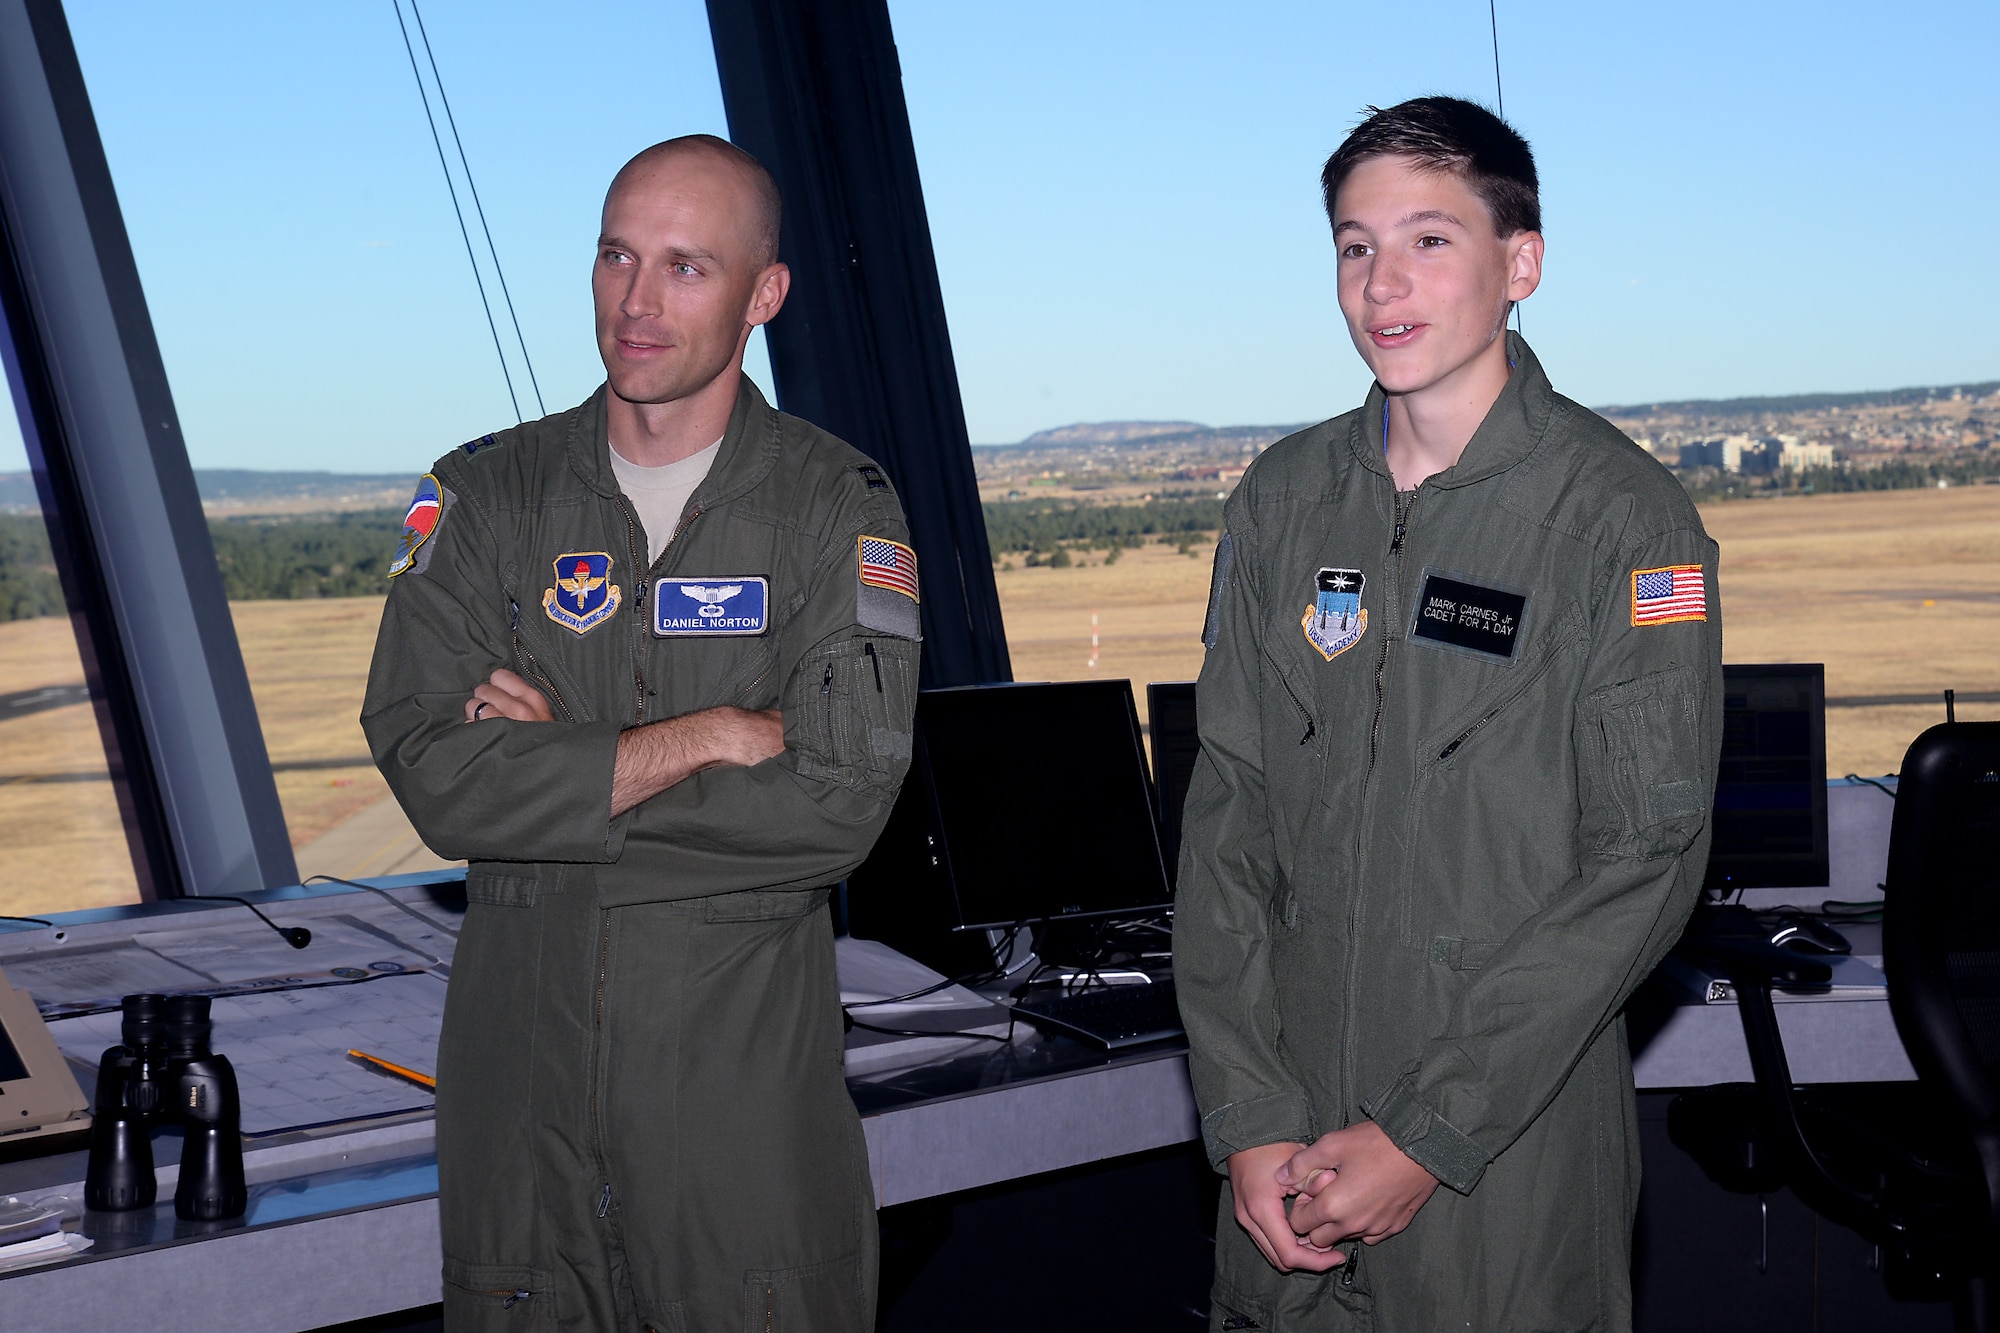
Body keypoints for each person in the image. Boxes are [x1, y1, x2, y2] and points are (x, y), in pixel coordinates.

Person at [1175, 96, 1723, 1331]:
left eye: (1429, 239)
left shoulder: (1623, 523)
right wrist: (1247, 1115)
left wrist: (1424, 1135)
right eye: (1353, 245)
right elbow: (1227, 817)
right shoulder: (1282, 501)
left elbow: (1643, 862)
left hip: (1500, 1149)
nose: (1382, 283)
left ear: (1517, 262)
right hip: (1285, 1150)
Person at [363, 134, 920, 1332]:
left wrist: (560, 769)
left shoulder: (838, 507)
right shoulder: (479, 496)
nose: (636, 301)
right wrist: (707, 733)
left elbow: (839, 801)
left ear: (763, 296)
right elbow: (433, 776)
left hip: (736, 1118)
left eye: (685, 267)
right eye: (617, 255)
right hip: (518, 1114)